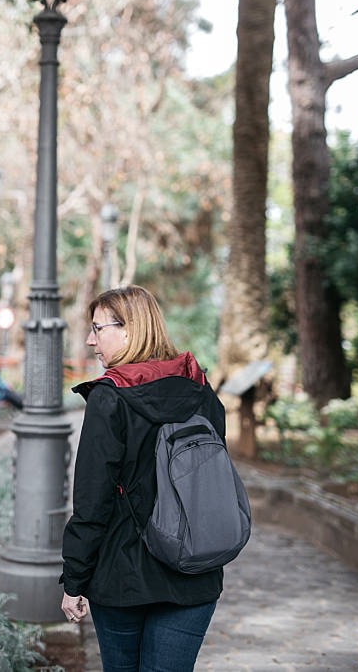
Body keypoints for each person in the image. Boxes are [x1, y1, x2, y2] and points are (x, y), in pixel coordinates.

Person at [59, 285, 226, 672]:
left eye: (98, 329)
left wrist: (74, 579)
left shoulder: (110, 398)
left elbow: (92, 500)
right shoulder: (201, 389)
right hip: (194, 569)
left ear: (130, 330)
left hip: (123, 575)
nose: (90, 340)